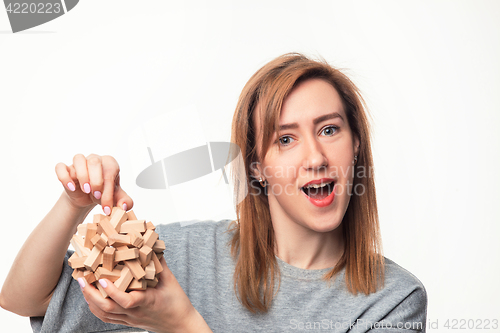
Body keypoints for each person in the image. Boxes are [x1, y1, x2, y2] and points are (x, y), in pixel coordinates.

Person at [0, 53, 427, 332]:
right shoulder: (185, 255)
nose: (315, 156)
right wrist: (72, 204)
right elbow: (23, 299)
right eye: (285, 139)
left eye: (329, 129)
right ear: (257, 167)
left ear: (355, 144)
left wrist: (180, 322)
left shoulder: (393, 301)